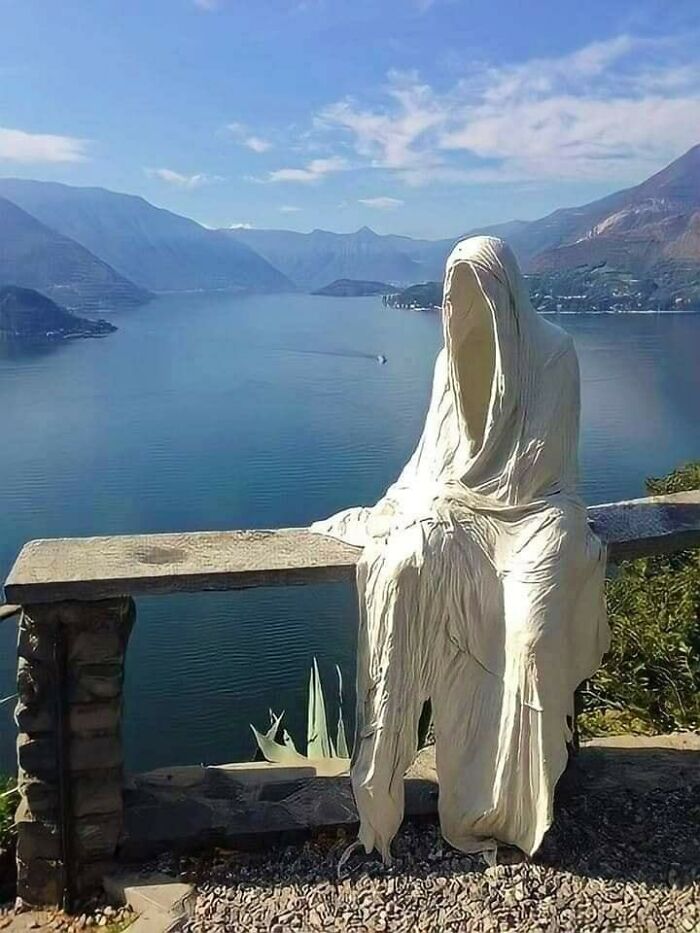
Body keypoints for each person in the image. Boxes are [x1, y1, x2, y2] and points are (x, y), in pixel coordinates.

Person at [311, 236, 610, 862]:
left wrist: (486, 499)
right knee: (407, 563)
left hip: (541, 511)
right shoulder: (449, 363)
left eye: (473, 288)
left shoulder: (555, 353)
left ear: (505, 289)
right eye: (452, 291)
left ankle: (517, 802)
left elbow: (545, 463)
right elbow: (438, 462)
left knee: (530, 634)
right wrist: (436, 506)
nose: (458, 303)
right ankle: (450, 795)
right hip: (468, 509)